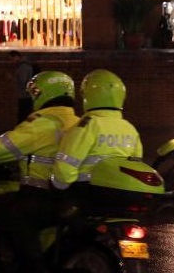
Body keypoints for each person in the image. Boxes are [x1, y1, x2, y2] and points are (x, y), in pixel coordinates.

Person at [0, 71, 79, 273]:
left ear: (43, 94)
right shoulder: (79, 122)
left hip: (40, 194)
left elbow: (2, 148)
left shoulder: (43, 123)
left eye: (35, 93)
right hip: (68, 195)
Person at [52, 69, 143, 210]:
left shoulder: (88, 125)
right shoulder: (129, 128)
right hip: (122, 193)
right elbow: (137, 162)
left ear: (87, 96)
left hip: (89, 192)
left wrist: (58, 186)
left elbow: (65, 168)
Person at [9, 50, 36, 124]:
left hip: (24, 95)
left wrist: (13, 78)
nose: (12, 61)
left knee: (23, 115)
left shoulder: (22, 67)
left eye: (12, 59)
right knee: (26, 114)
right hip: (28, 94)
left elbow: (23, 81)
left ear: (16, 57)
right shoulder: (26, 65)